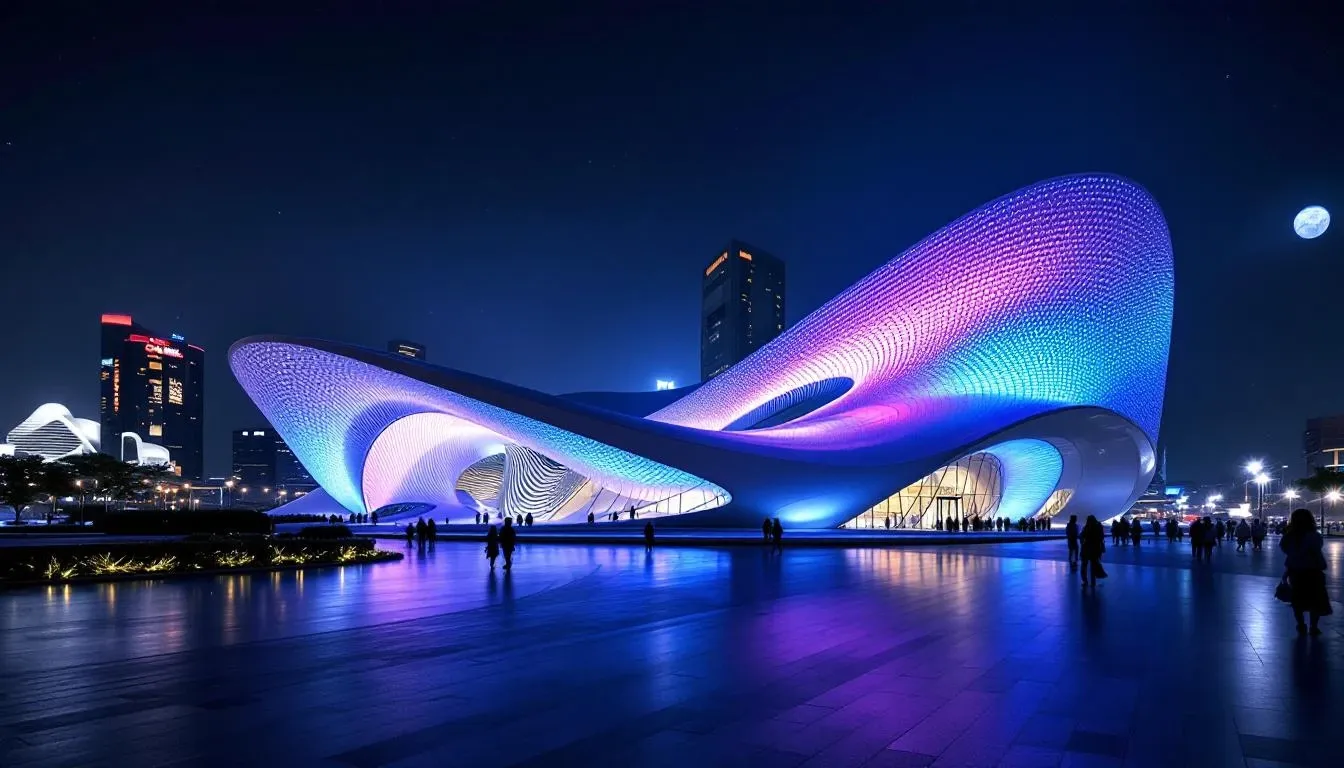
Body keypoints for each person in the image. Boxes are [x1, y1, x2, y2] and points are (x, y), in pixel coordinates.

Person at [1280, 508, 1332, 635]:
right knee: (1315, 599)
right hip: (1313, 571)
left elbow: (1287, 553)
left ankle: (1300, 625)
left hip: (1295, 572)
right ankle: (1313, 626)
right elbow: (1317, 552)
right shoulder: (1314, 536)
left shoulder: (1288, 537)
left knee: (1297, 600)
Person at [1080, 514, 1106, 587]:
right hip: (1095, 549)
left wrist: (1083, 541)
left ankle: (1085, 581)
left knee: (1084, 565)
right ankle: (1093, 581)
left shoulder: (1086, 527)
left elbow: (1082, 536)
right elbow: (1101, 537)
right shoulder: (1098, 527)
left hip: (1086, 549)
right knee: (1094, 565)